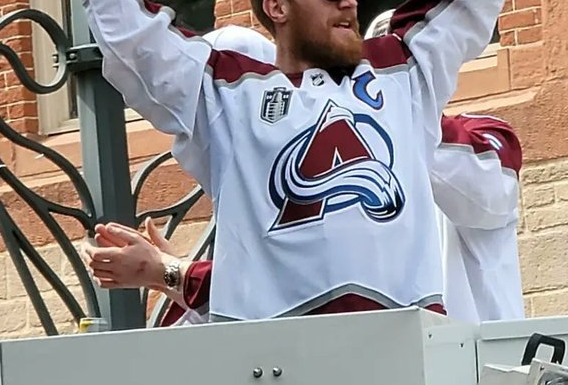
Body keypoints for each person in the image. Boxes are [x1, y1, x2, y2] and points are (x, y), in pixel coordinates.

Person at [31, 0, 503, 322]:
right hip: (274, 366)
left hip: (404, 350)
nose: (348, 1)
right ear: (276, 8)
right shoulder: (227, 93)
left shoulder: (403, 70)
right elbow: (127, 29)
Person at [84, 105, 524, 326]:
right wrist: (171, 276)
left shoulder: (463, 146)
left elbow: (492, 189)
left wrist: (169, 273)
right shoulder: (291, 185)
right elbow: (278, 305)